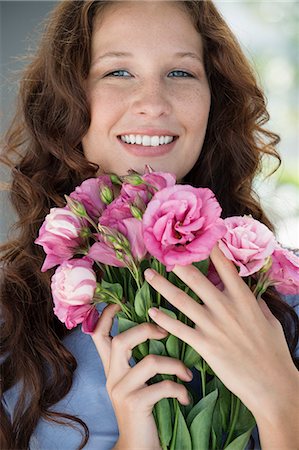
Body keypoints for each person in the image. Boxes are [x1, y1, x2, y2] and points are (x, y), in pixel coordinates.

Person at [1, 1, 298, 449]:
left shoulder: (286, 305)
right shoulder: (9, 323)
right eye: (117, 72)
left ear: (215, 98)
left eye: (181, 73)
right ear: (67, 98)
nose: (153, 104)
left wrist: (283, 404)